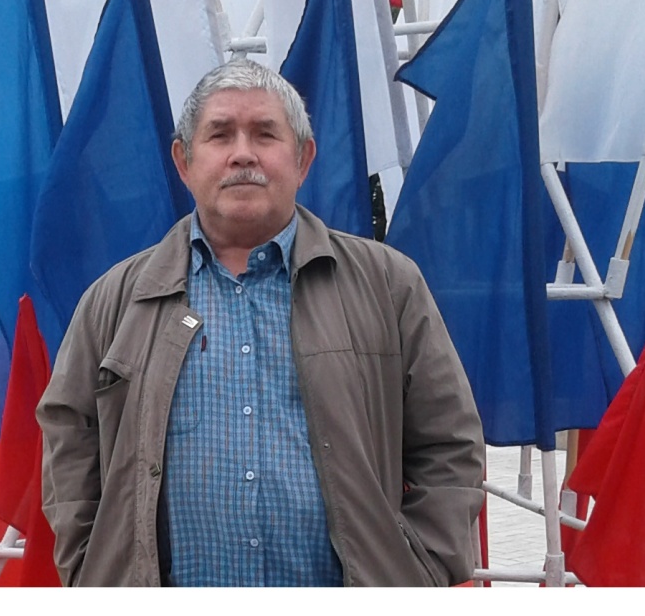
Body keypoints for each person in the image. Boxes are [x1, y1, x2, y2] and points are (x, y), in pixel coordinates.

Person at [37, 59, 485, 587]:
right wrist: (91, 567)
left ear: (303, 159)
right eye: (220, 134)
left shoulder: (388, 285)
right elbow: (69, 437)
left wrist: (419, 568)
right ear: (183, 161)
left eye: (265, 134)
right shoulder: (114, 300)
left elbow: (449, 441)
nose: (243, 153)